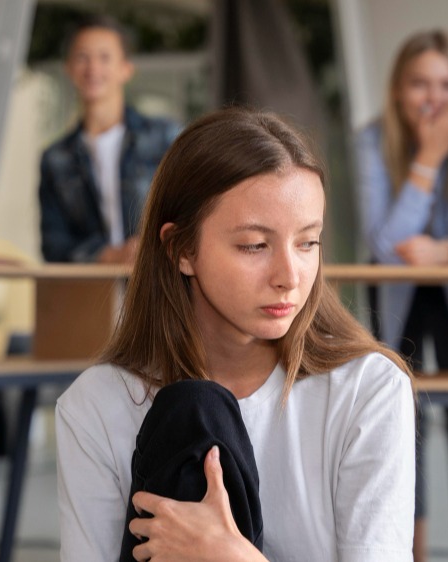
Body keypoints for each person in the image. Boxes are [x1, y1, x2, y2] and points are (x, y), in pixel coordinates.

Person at [55, 107, 416, 561]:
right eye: (254, 245)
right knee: (190, 410)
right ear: (182, 249)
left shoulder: (369, 390)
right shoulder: (96, 404)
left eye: (308, 242)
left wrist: (229, 556)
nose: (289, 275)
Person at [355, 29, 448, 562]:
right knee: (401, 420)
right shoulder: (372, 142)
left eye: (446, 84)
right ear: (398, 89)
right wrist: (428, 158)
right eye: (419, 83)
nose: (433, 97)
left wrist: (445, 253)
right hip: (396, 295)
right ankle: (411, 554)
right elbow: (384, 240)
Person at [38, 14, 179, 264]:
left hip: (159, 284)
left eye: (104, 57)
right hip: (94, 294)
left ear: (126, 69)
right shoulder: (56, 159)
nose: (93, 69)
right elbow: (53, 245)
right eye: (82, 57)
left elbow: (193, 213)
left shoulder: (165, 138)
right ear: (68, 68)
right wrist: (109, 255)